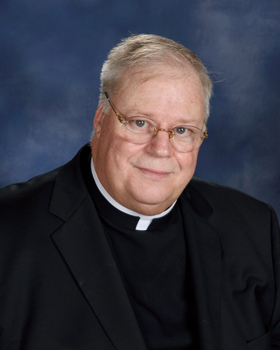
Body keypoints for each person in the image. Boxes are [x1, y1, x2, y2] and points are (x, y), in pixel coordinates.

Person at [0, 34, 279, 350]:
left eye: (182, 130)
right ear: (101, 120)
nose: (161, 149)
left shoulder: (254, 227)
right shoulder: (8, 232)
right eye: (140, 123)